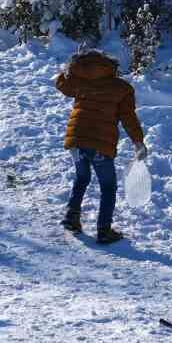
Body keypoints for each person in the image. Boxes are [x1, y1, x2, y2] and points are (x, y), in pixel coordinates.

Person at [54, 48, 148, 244]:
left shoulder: (80, 81)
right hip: (99, 143)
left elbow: (62, 84)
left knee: (82, 177)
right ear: (111, 67)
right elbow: (128, 118)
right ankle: (104, 230)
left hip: (76, 140)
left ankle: (72, 217)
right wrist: (138, 142)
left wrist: (68, 70)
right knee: (107, 186)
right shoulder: (121, 88)